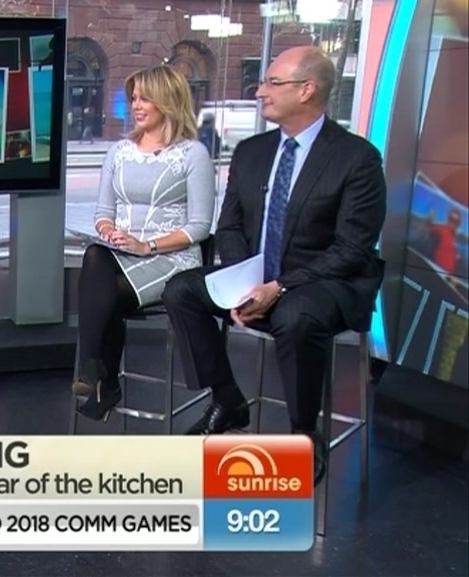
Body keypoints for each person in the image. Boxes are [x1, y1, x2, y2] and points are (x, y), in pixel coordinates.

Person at [161, 47, 387, 485]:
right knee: (182, 289)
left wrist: (279, 285)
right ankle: (227, 398)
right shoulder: (252, 151)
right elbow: (230, 225)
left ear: (307, 90)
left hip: (325, 281)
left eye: (272, 82)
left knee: (296, 314)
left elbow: (352, 250)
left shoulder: (357, 159)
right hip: (259, 275)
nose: (259, 91)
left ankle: (304, 433)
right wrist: (243, 279)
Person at [74, 65, 216, 422]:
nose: (136, 105)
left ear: (167, 101)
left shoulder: (193, 154)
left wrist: (147, 246)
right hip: (122, 253)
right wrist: (109, 231)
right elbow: (103, 213)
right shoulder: (119, 151)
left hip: (172, 258)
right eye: (134, 98)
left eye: (145, 98)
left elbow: (200, 226)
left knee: (104, 292)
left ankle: (99, 376)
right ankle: (95, 369)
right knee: (95, 254)